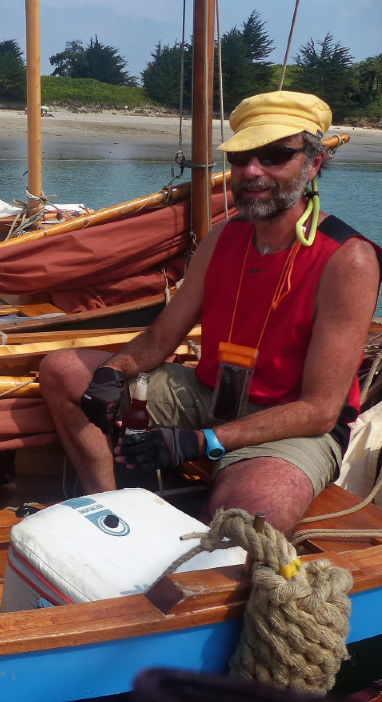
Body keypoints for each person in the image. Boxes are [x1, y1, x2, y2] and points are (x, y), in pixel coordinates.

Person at [35, 91, 382, 535]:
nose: (252, 171)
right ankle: (109, 513)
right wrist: (113, 372)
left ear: (313, 164)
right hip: (210, 393)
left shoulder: (347, 259)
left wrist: (200, 442)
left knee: (250, 517)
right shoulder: (223, 239)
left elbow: (318, 410)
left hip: (290, 423)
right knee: (64, 369)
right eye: (241, 157)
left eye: (275, 155)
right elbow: (161, 339)